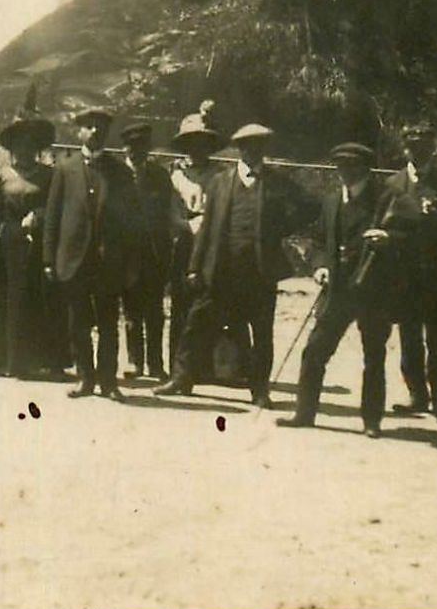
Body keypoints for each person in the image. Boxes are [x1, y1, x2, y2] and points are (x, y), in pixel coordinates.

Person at [156, 122, 316, 406]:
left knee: (262, 332)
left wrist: (279, 228)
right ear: (239, 149)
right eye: (246, 146)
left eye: (258, 146)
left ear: (264, 149)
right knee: (196, 322)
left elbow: (310, 206)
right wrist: (195, 267)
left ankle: (260, 390)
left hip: (259, 272)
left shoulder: (277, 182)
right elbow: (206, 230)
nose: (252, 151)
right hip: (221, 270)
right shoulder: (221, 181)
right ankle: (182, 378)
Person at [278, 144, 396, 436]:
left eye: (352, 167)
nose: (345, 173)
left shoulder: (385, 201)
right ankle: (304, 413)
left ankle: (371, 421)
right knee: (315, 349)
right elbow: (318, 240)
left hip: (372, 290)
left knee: (373, 355)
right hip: (337, 290)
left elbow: (409, 235)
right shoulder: (331, 201)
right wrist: (319, 265)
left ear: (366, 169)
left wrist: (388, 239)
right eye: (340, 166)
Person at [43, 107, 139, 401]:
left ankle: (108, 381)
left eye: (100, 127)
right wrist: (49, 258)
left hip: (108, 259)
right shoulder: (65, 168)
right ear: (79, 131)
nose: (95, 131)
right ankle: (86, 378)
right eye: (89, 126)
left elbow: (130, 221)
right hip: (74, 258)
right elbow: (53, 216)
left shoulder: (121, 172)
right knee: (78, 321)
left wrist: (131, 261)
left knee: (109, 321)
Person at [379, 122, 437, 415]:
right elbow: (381, 224)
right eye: (412, 147)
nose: (418, 152)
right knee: (409, 336)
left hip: (436, 274)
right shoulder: (392, 184)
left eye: (424, 147)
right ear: (405, 149)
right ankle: (417, 395)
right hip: (404, 275)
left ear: (432, 149)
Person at [0, 105, 68, 378]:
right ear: (13, 146)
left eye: (30, 142)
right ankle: (11, 361)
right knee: (12, 299)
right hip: (11, 244)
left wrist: (39, 216)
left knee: (41, 297)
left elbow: (57, 209)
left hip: (40, 243)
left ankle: (44, 360)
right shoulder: (4, 175)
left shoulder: (49, 175)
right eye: (19, 142)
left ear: (37, 146)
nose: (25, 148)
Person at [164, 104, 226, 379]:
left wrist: (208, 226)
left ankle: (203, 365)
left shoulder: (221, 175)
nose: (197, 149)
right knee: (180, 303)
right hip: (183, 242)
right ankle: (177, 366)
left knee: (207, 303)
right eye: (192, 143)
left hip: (211, 244)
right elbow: (168, 209)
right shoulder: (175, 174)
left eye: (203, 143)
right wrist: (185, 223)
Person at [121, 122, 173, 381]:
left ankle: (156, 363)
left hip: (154, 253)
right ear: (124, 149)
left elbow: (167, 213)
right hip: (126, 254)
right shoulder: (117, 175)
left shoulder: (160, 176)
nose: (136, 152)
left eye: (141, 147)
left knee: (155, 312)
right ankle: (134, 361)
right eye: (131, 147)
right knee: (131, 312)